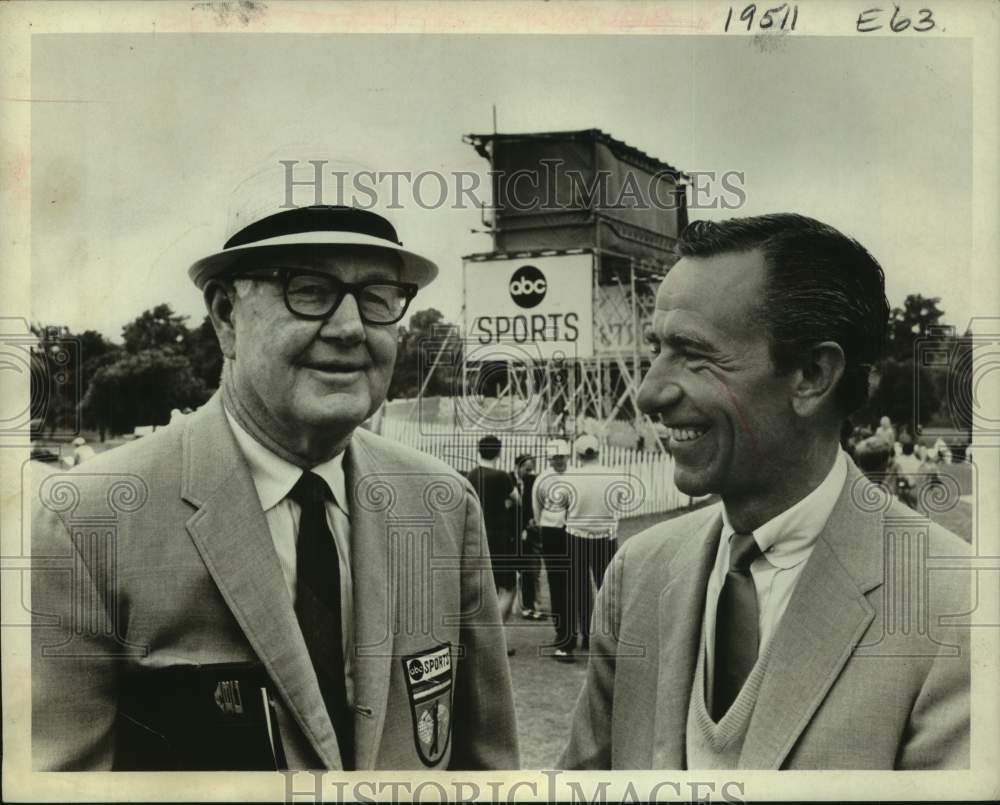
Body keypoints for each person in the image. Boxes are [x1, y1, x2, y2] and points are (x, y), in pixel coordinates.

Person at [31, 184, 518, 770]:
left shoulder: (442, 504)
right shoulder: (87, 522)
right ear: (225, 315)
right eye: (308, 291)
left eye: (377, 296)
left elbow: (486, 770)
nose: (349, 327)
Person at [561, 214, 970, 770]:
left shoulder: (957, 608)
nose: (650, 392)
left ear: (810, 375)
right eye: (657, 347)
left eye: (694, 353)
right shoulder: (640, 572)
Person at [564, 434, 620, 652]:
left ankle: (586, 634)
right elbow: (619, 504)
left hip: (577, 535)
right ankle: (604, 637)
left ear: (578, 455)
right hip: (605, 536)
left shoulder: (570, 477)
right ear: (598, 452)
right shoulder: (613, 475)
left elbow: (563, 505)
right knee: (606, 589)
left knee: (578, 588)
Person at [465, 435, 519, 653]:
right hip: (499, 537)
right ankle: (495, 638)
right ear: (498, 452)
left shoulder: (471, 475)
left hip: (477, 535)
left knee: (484, 586)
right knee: (508, 587)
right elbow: (518, 500)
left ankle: (480, 637)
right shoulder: (501, 476)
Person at [534, 439, 575, 662]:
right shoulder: (543, 479)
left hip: (572, 532)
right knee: (557, 584)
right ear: (549, 459)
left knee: (572, 583)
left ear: (568, 457)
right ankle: (562, 633)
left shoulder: (576, 476)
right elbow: (536, 506)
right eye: (555, 458)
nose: (559, 461)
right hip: (551, 531)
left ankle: (575, 634)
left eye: (562, 457)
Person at [512, 453, 545, 621]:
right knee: (514, 571)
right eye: (527, 469)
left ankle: (532, 605)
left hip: (531, 533)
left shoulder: (534, 482)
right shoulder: (509, 482)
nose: (530, 472)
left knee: (532, 569)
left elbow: (536, 504)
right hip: (513, 534)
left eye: (532, 469)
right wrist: (520, 527)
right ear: (517, 467)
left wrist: (533, 521)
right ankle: (522, 605)